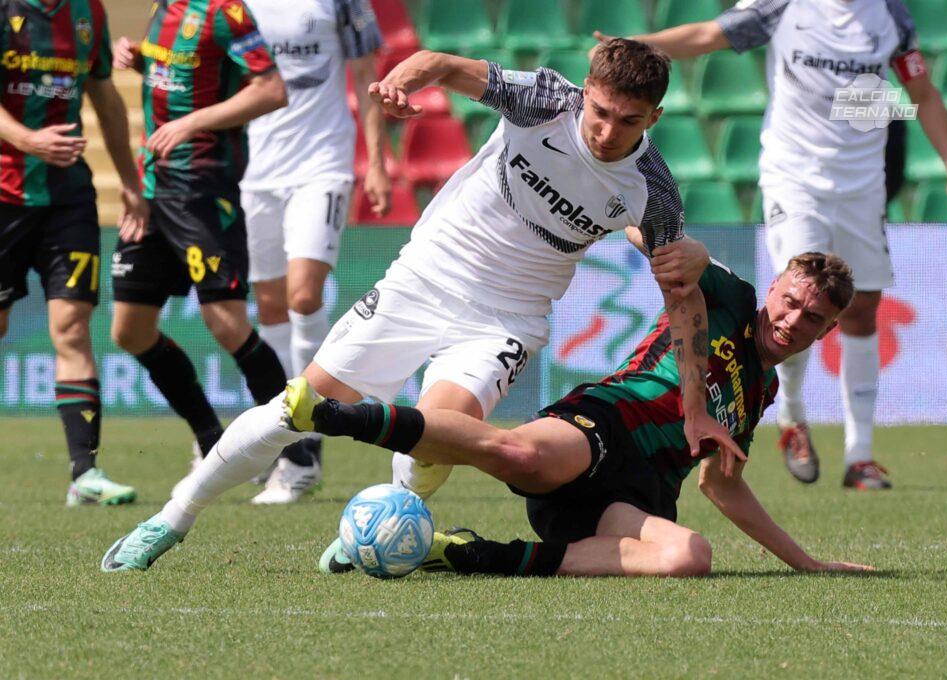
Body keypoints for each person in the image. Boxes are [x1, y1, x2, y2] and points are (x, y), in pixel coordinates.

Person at [99, 38, 722, 572]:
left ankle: (381, 529)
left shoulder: (652, 189)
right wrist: (400, 82)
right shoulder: (545, 102)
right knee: (295, 409)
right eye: (601, 112)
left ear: (655, 117)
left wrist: (694, 405)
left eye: (628, 122)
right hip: (423, 280)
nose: (607, 132)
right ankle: (171, 519)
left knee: (435, 438)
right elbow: (440, 63)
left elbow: (681, 294)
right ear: (586, 91)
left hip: (506, 320)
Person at [604, 0, 947, 489]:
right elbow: (708, 35)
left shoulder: (892, 15)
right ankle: (793, 416)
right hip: (795, 178)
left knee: (862, 309)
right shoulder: (783, 5)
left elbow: (922, 95)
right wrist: (636, 48)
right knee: (802, 295)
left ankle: (860, 455)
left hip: (863, 185)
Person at [310, 253, 871, 577]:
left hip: (635, 497)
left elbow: (721, 484)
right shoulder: (730, 296)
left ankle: (464, 553)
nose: (792, 320)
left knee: (688, 557)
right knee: (519, 454)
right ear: (773, 288)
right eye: (790, 302)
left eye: (811, 317)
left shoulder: (763, 388)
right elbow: (654, 239)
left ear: (826, 331)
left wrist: (805, 562)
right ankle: (335, 416)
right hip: (607, 423)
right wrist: (687, 249)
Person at [108, 0, 290, 473]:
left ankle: (290, 453)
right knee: (129, 330)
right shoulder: (163, 8)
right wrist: (138, 59)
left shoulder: (225, 12)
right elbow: (182, 74)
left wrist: (192, 121)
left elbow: (272, 90)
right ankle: (211, 439)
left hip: (202, 189)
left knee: (226, 322)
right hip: (151, 189)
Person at [241, 0, 391, 504]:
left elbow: (368, 75)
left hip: (321, 164)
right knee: (269, 308)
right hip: (256, 169)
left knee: (303, 297)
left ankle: (308, 437)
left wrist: (376, 162)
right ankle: (280, 440)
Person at [0, 0, 148, 504]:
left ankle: (85, 475)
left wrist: (130, 182)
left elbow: (106, 97)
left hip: (69, 200)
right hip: (5, 196)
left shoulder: (88, 12)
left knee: (71, 325)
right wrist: (28, 140)